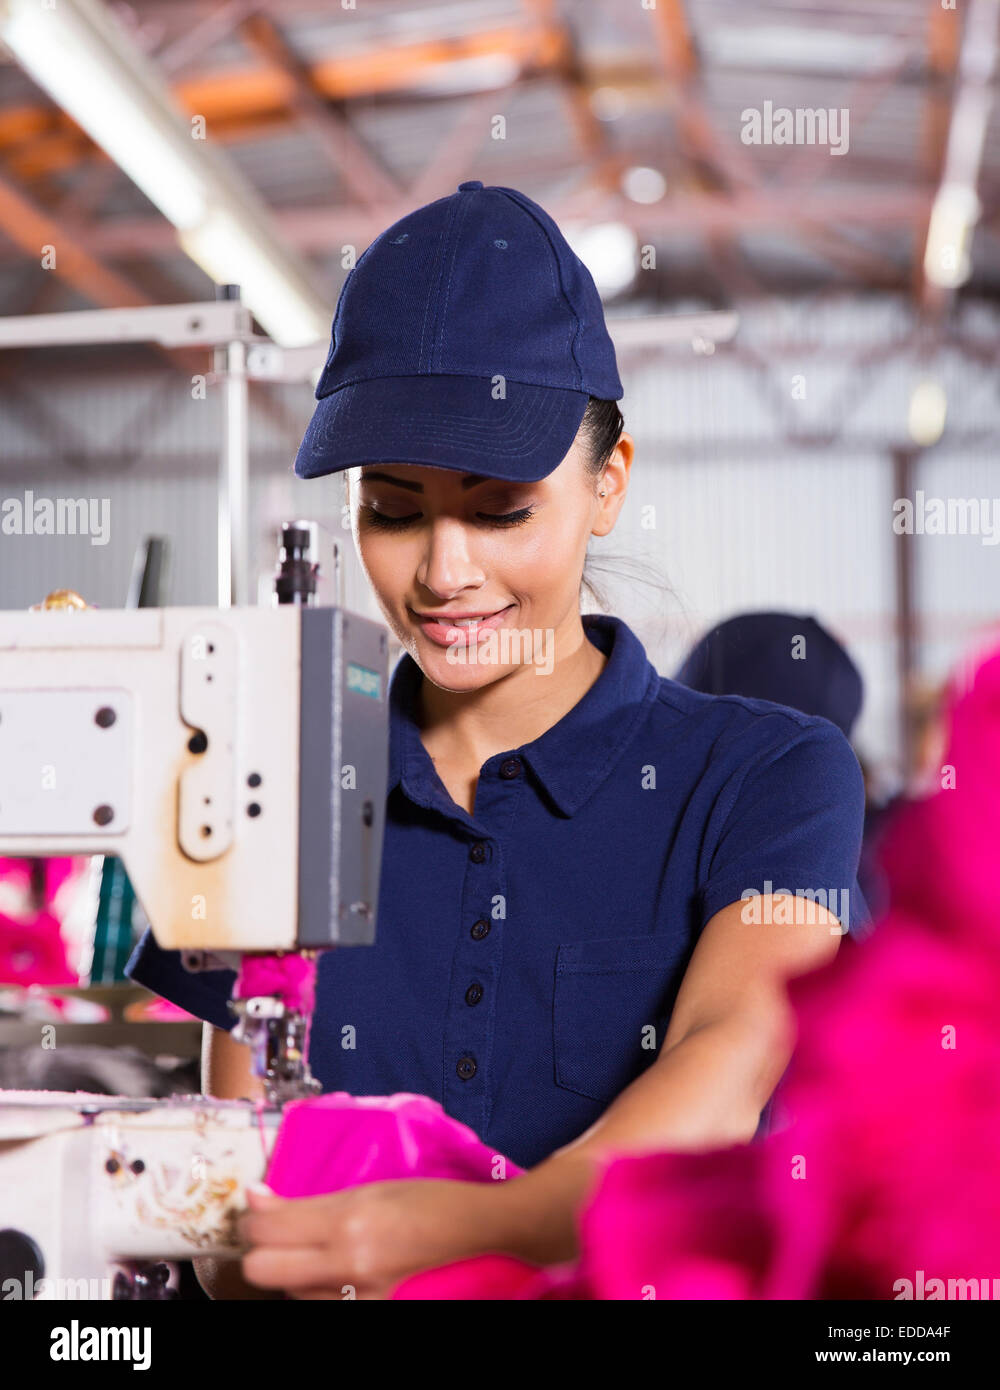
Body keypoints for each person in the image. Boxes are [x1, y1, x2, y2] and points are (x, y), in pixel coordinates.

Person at [125, 180, 868, 1299]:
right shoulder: (266, 771)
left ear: (606, 485)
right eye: (394, 507)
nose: (443, 571)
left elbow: (724, 1064)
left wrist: (471, 1227)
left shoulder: (767, 777)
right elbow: (240, 1153)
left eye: (500, 509)